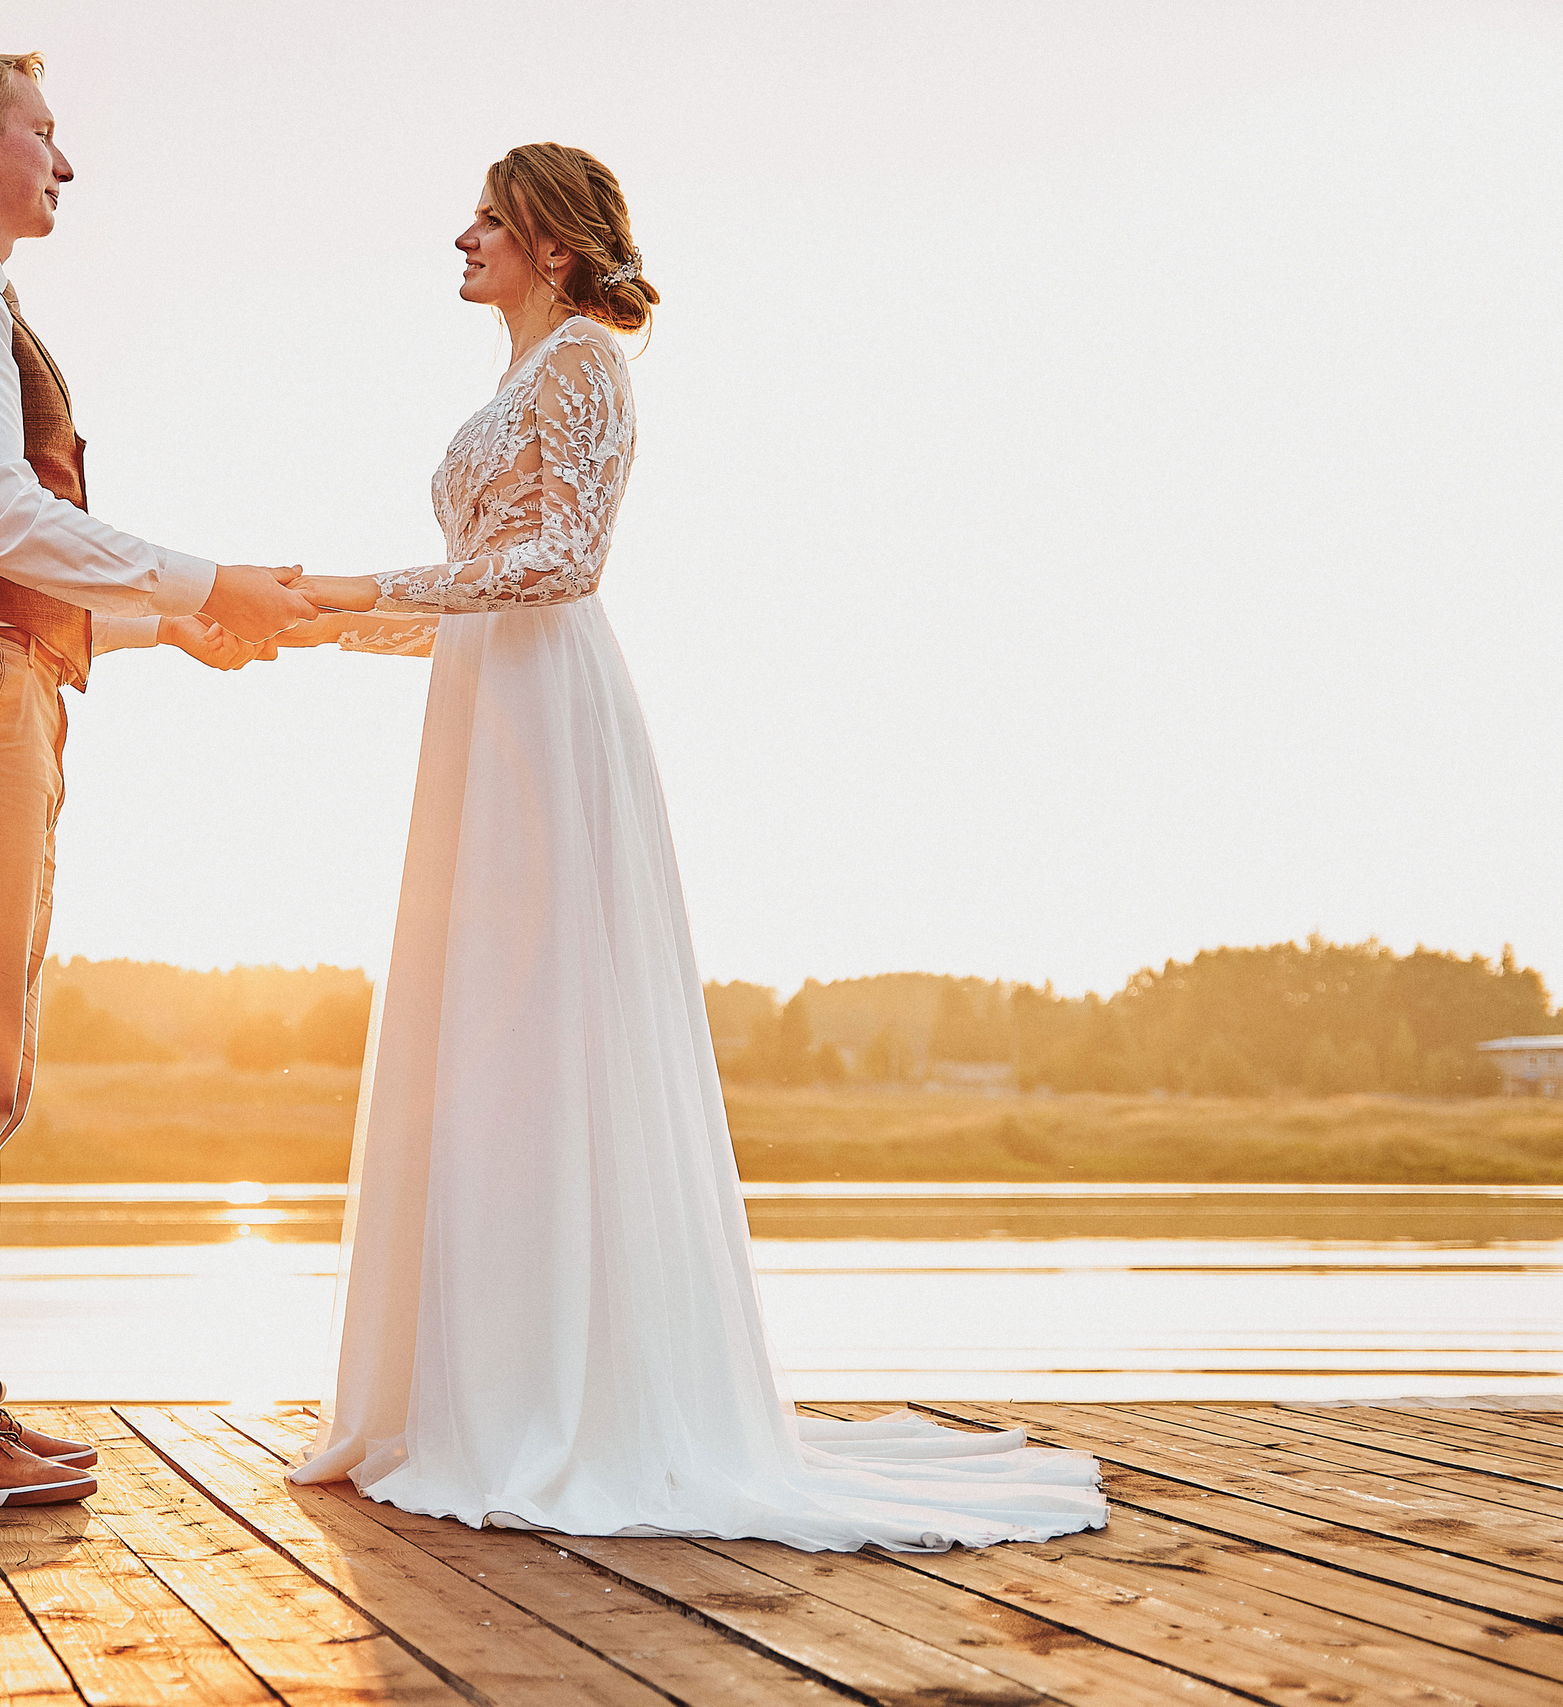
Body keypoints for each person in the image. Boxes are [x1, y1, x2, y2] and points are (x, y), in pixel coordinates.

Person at [278, 144, 1108, 1547]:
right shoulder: (516, 378)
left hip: (547, 717)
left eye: (489, 217)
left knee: (546, 1027)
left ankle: (566, 1403)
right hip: (483, 704)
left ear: (552, 243)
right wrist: (304, 618)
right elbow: (470, 593)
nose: (461, 235)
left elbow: (564, 564)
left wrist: (355, 583)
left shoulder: (590, 363)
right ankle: (470, 1387)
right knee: (477, 1032)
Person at [0, 44, 314, 1507]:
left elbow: (12, 561)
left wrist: (183, 620)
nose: (66, 159)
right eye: (46, 131)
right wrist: (202, 573)